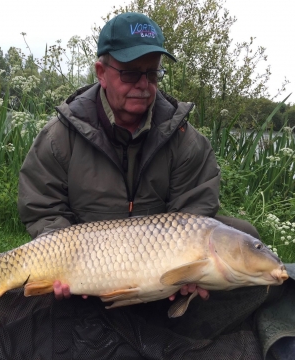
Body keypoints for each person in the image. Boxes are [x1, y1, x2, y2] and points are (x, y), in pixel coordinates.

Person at [18, 12, 258, 304]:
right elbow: (42, 207)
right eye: (130, 73)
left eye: (152, 73)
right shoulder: (60, 136)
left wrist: (188, 273)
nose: (143, 85)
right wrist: (66, 260)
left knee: (243, 237)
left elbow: (194, 214)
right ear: (101, 72)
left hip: (155, 262)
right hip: (89, 256)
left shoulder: (184, 138)